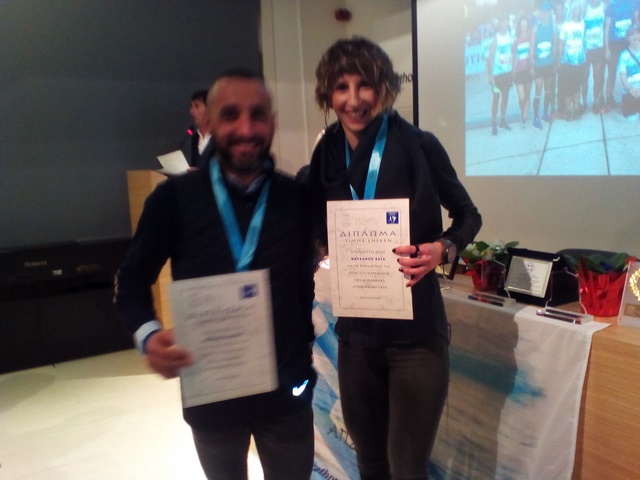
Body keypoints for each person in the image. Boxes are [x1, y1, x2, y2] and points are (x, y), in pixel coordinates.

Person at [115, 68, 317, 480]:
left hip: (286, 395)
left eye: (258, 114)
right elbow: (131, 280)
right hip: (212, 395)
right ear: (207, 122)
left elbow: (305, 284)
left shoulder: (297, 199)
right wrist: (149, 336)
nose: (246, 128)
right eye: (230, 114)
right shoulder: (173, 200)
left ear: (273, 122)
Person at [308, 37, 482, 480]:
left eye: (364, 85)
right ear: (328, 94)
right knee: (369, 464)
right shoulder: (326, 152)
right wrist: (318, 249)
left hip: (416, 338)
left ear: (384, 88)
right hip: (356, 338)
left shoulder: (418, 144)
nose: (353, 100)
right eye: (341, 87)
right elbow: (313, 224)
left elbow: (468, 215)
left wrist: (442, 248)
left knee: (406, 468)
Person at [558, 1, 587, 120]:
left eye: (579, 9)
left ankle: (576, 109)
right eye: (575, 9)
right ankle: (568, 110)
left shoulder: (583, 24)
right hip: (567, 62)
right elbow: (561, 43)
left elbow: (584, 42)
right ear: (571, 11)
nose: (577, 12)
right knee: (568, 87)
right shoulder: (566, 25)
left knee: (577, 86)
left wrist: (585, 57)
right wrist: (559, 59)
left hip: (580, 61)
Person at [488, 11, 514, 135]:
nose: (505, 23)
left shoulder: (509, 35)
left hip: (507, 72)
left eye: (506, 21)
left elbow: (511, 52)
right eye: (503, 21)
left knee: (505, 98)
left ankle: (503, 121)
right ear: (500, 23)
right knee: (496, 99)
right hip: (497, 74)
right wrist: (490, 75)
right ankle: (494, 123)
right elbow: (490, 57)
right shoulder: (496, 38)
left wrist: (513, 68)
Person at [532, 1, 557, 126]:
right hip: (538, 65)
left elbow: (554, 45)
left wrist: (555, 62)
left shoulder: (553, 27)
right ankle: (535, 117)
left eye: (547, 11)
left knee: (548, 89)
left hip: (549, 63)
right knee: (538, 89)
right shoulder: (536, 27)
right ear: (540, 13)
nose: (545, 13)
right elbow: (532, 47)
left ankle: (545, 113)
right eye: (543, 11)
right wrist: (531, 65)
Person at [512, 15, 534, 128]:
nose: (523, 27)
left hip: (528, 69)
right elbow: (514, 57)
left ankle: (524, 117)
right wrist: (513, 70)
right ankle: (523, 112)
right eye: (522, 25)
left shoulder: (531, 38)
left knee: (527, 94)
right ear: (519, 27)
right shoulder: (516, 41)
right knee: (521, 97)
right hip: (519, 71)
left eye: (525, 25)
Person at [186, 89, 215, 168]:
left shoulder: (220, 137)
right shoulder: (195, 137)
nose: (192, 111)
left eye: (197, 106)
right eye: (191, 106)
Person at [618, 23, 640, 119]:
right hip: (630, 91)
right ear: (628, 38)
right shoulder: (623, 55)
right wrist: (630, 89)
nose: (635, 36)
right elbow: (623, 77)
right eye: (632, 34)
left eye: (637, 33)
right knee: (630, 118)